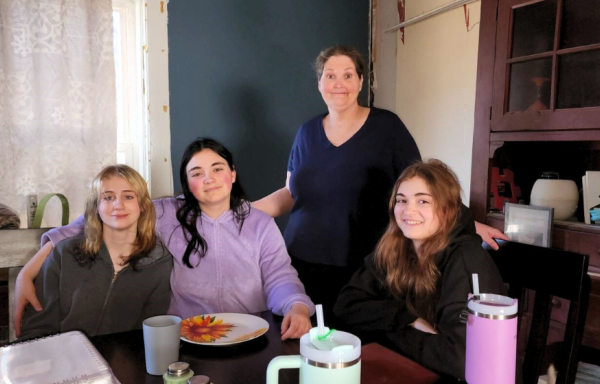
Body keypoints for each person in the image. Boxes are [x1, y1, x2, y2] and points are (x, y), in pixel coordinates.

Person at [253, 45, 507, 316]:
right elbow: (290, 193)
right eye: (330, 76)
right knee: (301, 346)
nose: (339, 84)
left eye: (348, 75)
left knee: (356, 347)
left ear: (361, 81)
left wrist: (469, 224)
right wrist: (235, 212)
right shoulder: (306, 132)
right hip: (299, 263)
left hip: (364, 267)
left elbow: (423, 187)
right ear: (319, 83)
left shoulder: (387, 127)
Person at [15, 139, 314, 340]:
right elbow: (96, 219)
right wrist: (29, 270)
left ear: (233, 174)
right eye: (197, 173)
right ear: (188, 184)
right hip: (184, 339)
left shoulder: (260, 224)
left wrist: (296, 306)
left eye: (217, 169)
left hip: (249, 334)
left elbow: (279, 276)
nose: (208, 178)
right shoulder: (166, 213)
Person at [333, 159, 507, 380]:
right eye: (401, 200)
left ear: (448, 209)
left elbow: (460, 360)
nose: (408, 210)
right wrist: (406, 318)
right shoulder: (395, 248)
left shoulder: (466, 260)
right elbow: (347, 304)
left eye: (423, 201)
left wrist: (386, 326)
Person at [19, 165, 172, 340]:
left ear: (143, 206)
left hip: (124, 361)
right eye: (108, 197)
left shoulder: (159, 262)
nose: (118, 205)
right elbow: (37, 329)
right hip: (63, 359)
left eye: (128, 197)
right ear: (95, 207)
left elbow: (149, 334)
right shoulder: (64, 254)